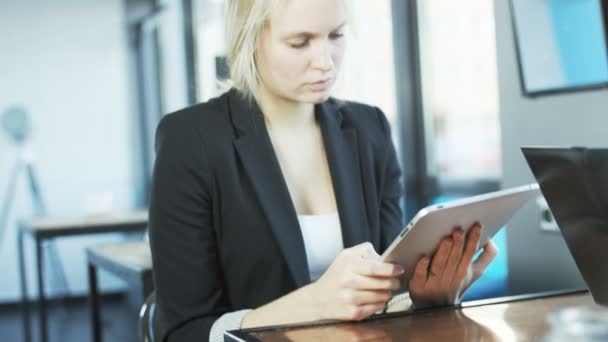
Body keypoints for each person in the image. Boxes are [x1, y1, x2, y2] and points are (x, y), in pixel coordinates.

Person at [148, 0, 498, 341]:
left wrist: (431, 297)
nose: (325, 62)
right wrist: (315, 302)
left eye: (336, 35)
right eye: (300, 42)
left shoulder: (369, 129)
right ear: (249, 39)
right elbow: (183, 331)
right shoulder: (191, 140)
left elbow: (390, 294)